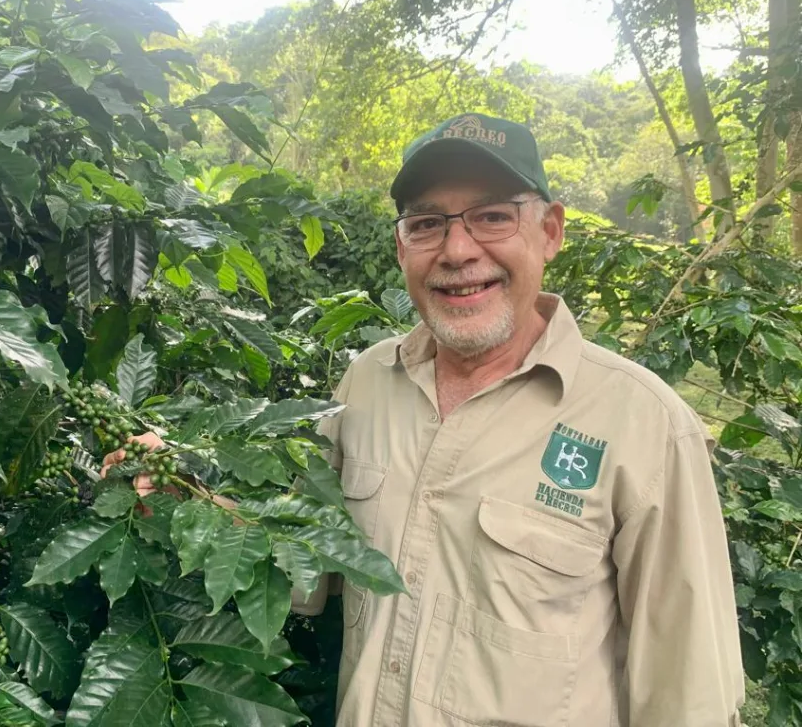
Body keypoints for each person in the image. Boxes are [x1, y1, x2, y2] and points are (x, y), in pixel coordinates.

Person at [104, 112, 745, 727]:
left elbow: (690, 696)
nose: (458, 250)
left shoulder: (644, 424)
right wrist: (179, 493)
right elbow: (297, 560)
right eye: (428, 223)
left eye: (493, 217)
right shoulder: (366, 384)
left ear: (549, 231)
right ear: (402, 245)